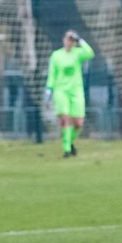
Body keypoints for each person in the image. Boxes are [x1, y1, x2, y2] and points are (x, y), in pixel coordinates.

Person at [45, 30, 95, 158]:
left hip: (76, 91)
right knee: (65, 118)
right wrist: (49, 89)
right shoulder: (56, 55)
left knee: (78, 123)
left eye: (72, 40)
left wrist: (80, 40)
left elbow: (90, 53)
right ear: (64, 40)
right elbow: (52, 73)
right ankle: (66, 149)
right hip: (61, 91)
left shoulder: (77, 54)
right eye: (68, 39)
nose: (69, 42)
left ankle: (70, 142)